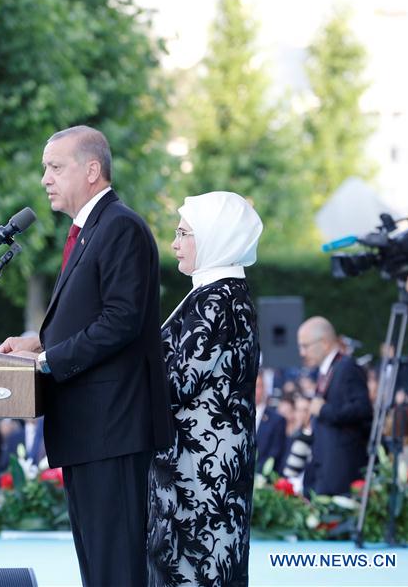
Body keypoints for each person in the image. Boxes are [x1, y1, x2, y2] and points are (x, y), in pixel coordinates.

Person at [0, 125, 174, 586]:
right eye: (44, 169)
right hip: (91, 428)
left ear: (92, 170)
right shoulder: (92, 228)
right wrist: (38, 340)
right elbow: (91, 313)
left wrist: (47, 361)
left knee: (115, 568)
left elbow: (120, 321)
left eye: (55, 167)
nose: (45, 179)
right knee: (98, 567)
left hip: (111, 428)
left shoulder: (120, 228)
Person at [147, 191, 263, 587]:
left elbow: (175, 382)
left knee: (201, 571)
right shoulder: (217, 293)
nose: (175, 244)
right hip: (202, 466)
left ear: (215, 237)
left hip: (203, 474)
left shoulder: (218, 301)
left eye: (184, 233)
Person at [298, 316, 372, 495]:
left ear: (323, 343)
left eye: (305, 346)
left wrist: (323, 410)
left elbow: (363, 410)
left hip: (341, 473)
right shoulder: (330, 369)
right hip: (325, 469)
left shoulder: (346, 367)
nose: (302, 352)